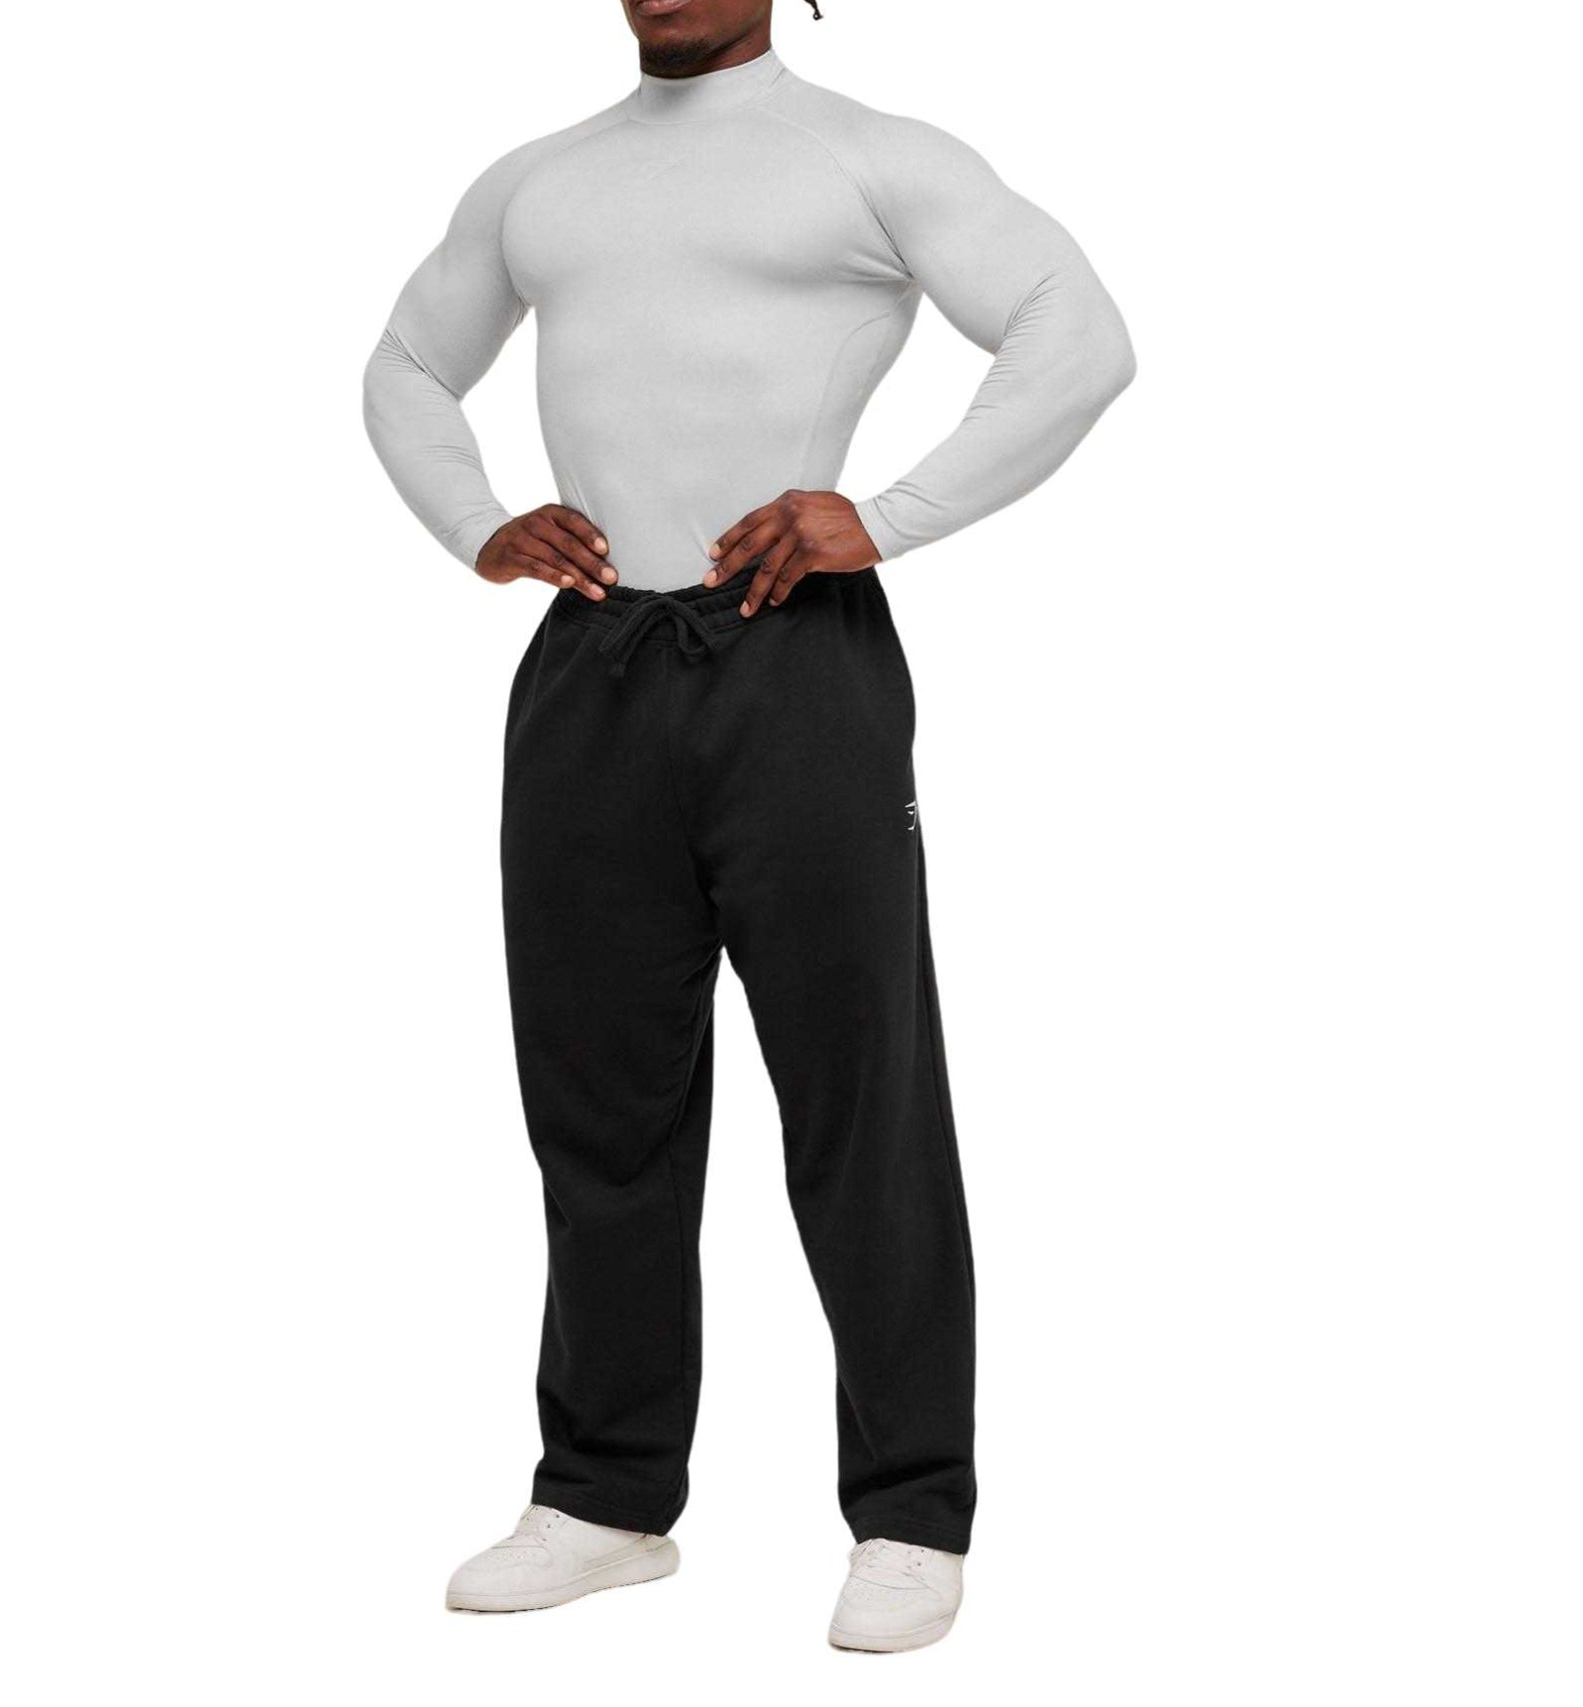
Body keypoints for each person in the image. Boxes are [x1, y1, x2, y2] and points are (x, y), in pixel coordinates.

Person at [362, 0, 1133, 1653]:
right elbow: (409, 364)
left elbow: (1077, 332)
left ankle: (911, 1511)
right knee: (597, 1098)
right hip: (589, 667)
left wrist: (890, 519)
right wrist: (478, 522)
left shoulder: (866, 154)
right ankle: (604, 1498)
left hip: (794, 659)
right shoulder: (540, 178)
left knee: (860, 1092)